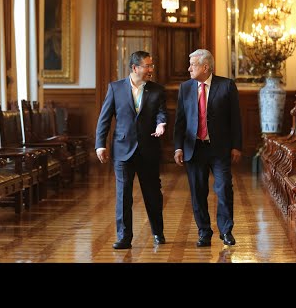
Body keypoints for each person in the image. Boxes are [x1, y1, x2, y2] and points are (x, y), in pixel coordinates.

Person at [95, 51, 167, 249]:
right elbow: (104, 118)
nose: (151, 69)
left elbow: (161, 113)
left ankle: (158, 232)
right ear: (135, 68)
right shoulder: (115, 88)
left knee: (153, 194)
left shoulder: (157, 90)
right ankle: (124, 237)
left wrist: (161, 124)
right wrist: (100, 144)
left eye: (152, 65)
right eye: (147, 66)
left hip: (148, 150)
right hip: (122, 150)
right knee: (123, 195)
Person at [173, 49, 242, 247]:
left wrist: (237, 146)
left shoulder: (226, 86)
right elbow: (180, 121)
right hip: (194, 148)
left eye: (192, 65)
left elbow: (235, 119)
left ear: (205, 67)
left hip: (219, 148)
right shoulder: (185, 88)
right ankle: (204, 232)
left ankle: (226, 231)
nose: (189, 68)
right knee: (198, 191)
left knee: (224, 189)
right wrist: (178, 147)